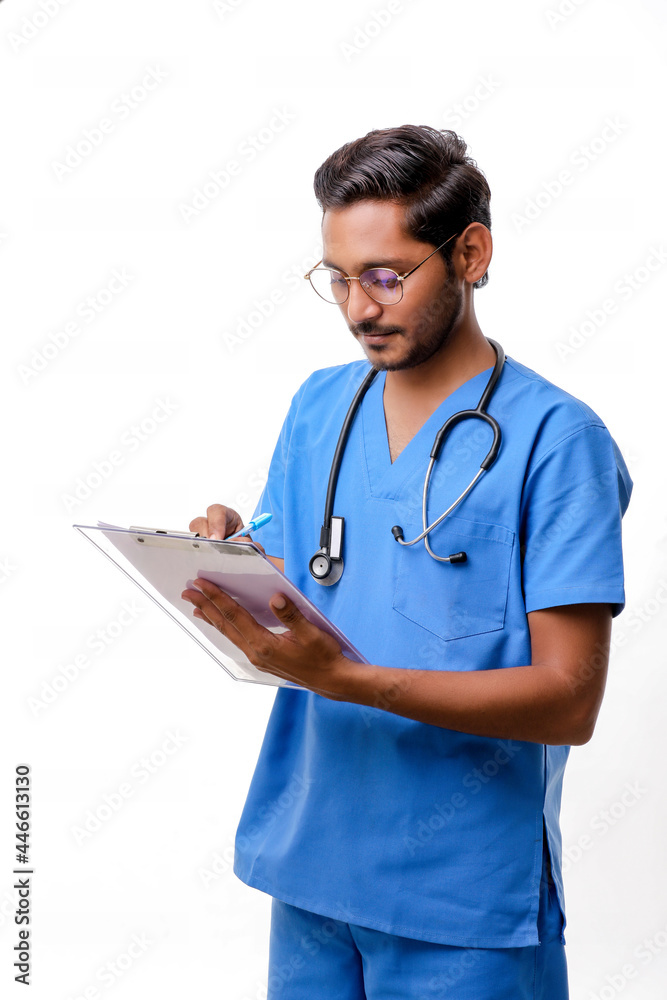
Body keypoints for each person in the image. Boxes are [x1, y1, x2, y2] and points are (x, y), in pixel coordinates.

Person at [182, 125, 632, 1000]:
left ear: (469, 252)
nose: (359, 308)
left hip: (464, 904)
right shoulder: (320, 406)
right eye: (339, 279)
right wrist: (236, 566)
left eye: (388, 276)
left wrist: (348, 679)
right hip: (310, 870)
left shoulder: (556, 442)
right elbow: (313, 584)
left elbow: (570, 700)